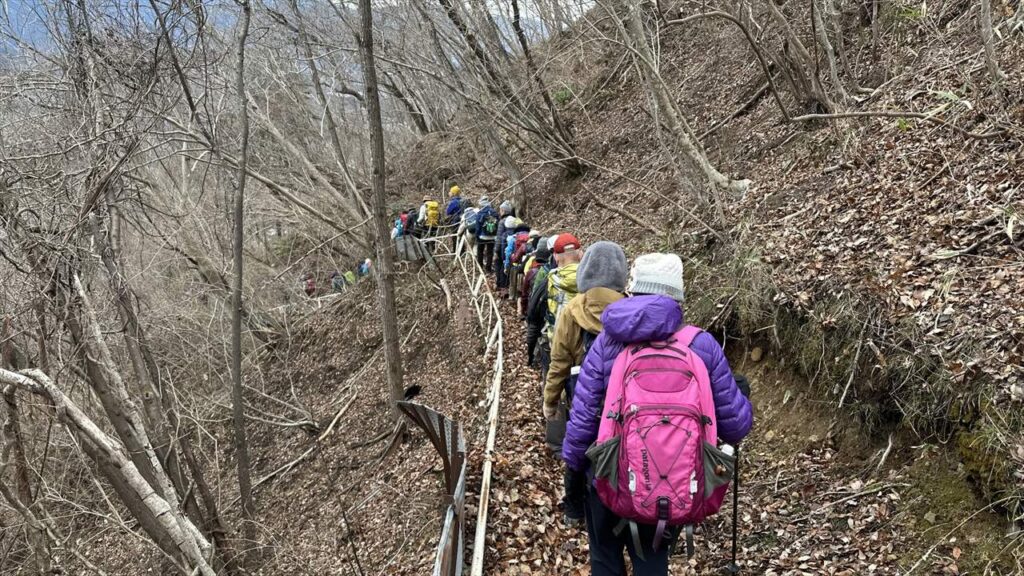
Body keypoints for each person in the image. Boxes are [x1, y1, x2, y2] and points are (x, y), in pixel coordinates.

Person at [563, 253, 754, 576]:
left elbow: (582, 419)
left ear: (633, 289)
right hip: (669, 481)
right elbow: (735, 427)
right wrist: (742, 396)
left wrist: (576, 471)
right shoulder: (700, 345)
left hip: (607, 476)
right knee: (652, 563)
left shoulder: (607, 342)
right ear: (678, 296)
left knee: (604, 560)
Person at [543, 241, 628, 526]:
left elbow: (559, 360)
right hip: (620, 397)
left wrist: (550, 400)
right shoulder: (630, 309)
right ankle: (617, 505)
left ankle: (574, 510)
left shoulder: (572, 310)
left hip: (580, 393)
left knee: (578, 446)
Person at [523, 242, 551, 367]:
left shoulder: (532, 270)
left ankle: (531, 358)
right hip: (548, 308)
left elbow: (527, 292)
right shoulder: (555, 272)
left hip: (536, 308)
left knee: (533, 332)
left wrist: (526, 311)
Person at [494, 201, 516, 294]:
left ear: (503, 210)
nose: (499, 211)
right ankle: (506, 284)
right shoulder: (514, 220)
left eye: (500, 210)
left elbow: (499, 237)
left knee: (499, 264)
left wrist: (496, 250)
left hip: (502, 247)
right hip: (512, 248)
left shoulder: (502, 222)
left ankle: (500, 284)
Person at [475, 197, 499, 272]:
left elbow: (478, 227)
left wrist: (477, 236)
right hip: (492, 236)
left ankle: (480, 267)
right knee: (490, 252)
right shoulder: (494, 212)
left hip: (482, 236)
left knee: (480, 251)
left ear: (481, 205)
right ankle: (488, 268)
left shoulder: (480, 213)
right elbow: (498, 224)